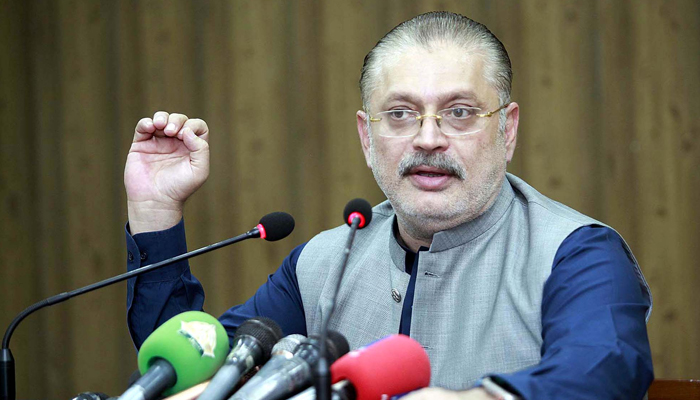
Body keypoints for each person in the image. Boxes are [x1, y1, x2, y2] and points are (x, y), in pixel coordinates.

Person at [123, 12, 653, 399]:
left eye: (460, 112)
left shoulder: (575, 252)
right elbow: (190, 367)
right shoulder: (323, 263)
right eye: (400, 114)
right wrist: (155, 211)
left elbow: (605, 368)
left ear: (507, 129)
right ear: (366, 136)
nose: (428, 138)